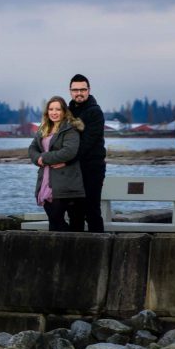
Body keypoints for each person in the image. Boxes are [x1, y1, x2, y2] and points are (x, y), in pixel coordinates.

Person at [29, 96, 86, 231]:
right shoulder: (44, 128)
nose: (54, 112)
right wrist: (38, 159)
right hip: (46, 180)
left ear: (64, 111)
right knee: (54, 222)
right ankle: (61, 244)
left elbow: (69, 152)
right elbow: (32, 148)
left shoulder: (70, 128)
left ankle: (70, 243)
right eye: (51, 109)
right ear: (47, 112)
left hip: (64, 181)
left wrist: (44, 158)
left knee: (58, 221)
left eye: (58, 109)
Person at [67, 74, 106, 232]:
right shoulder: (67, 112)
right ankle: (76, 246)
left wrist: (64, 159)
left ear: (89, 90)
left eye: (82, 89)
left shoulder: (95, 112)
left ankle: (100, 245)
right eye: (75, 90)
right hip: (72, 170)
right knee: (74, 213)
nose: (79, 93)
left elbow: (86, 143)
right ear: (70, 91)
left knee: (92, 211)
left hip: (92, 168)